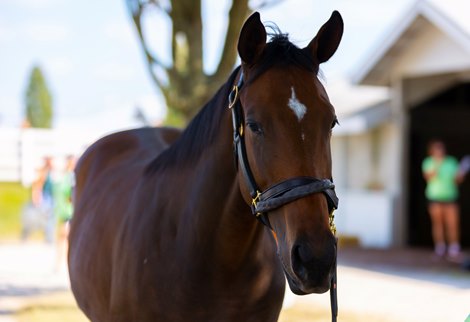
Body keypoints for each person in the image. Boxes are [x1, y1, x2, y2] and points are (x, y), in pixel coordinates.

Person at [422, 140, 464, 262]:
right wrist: (437, 164)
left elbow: (457, 180)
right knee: (438, 223)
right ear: (432, 151)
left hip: (450, 196)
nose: (440, 151)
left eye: (441, 148)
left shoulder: (451, 162)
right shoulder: (428, 162)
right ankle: (440, 248)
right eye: (437, 149)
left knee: (452, 223)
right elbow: (429, 177)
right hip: (435, 196)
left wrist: (460, 174)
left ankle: (454, 248)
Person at [54, 155, 76, 271]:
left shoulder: (72, 177)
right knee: (62, 238)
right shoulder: (65, 176)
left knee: (66, 237)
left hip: (70, 212)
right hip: (64, 212)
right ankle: (59, 262)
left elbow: (71, 196)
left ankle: (65, 263)